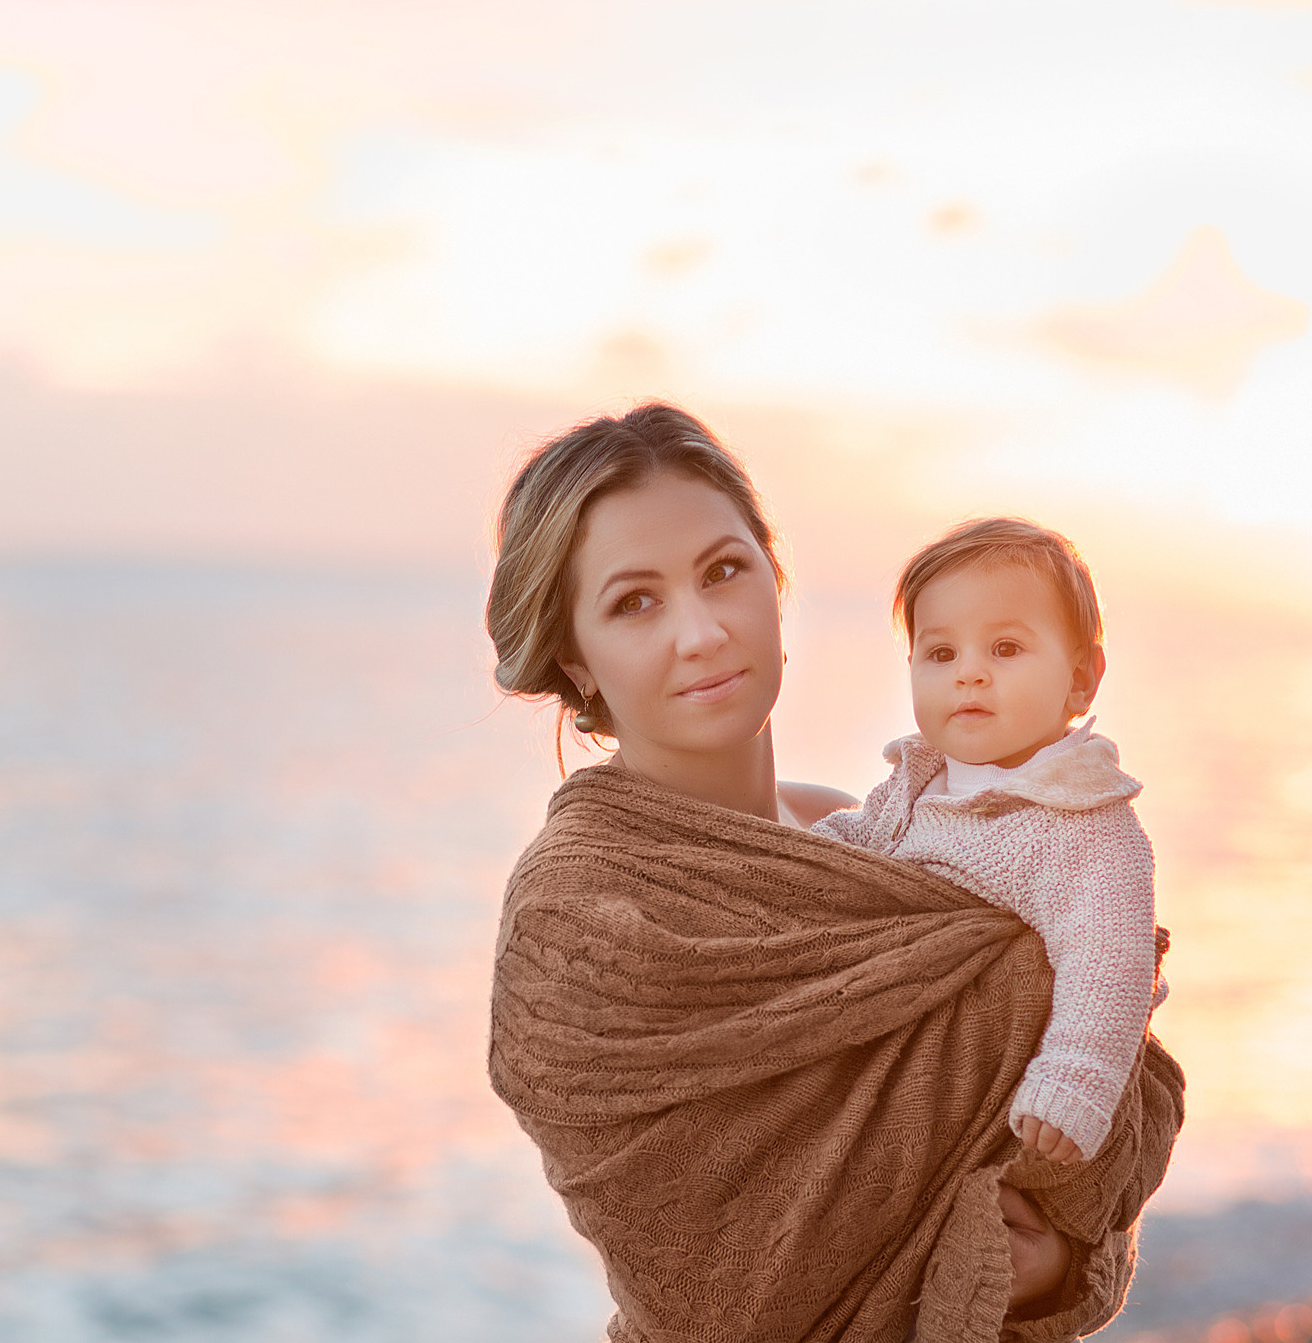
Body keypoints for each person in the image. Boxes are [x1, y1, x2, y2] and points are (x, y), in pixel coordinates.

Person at [484, 404, 1183, 1342]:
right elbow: (713, 1293)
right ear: (576, 657)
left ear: (775, 583)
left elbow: (1121, 1107)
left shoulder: (873, 835)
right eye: (634, 602)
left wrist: (1051, 1264)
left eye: (723, 571)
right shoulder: (577, 917)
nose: (703, 632)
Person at [813, 519, 1164, 1171]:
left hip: (999, 1083)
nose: (969, 674)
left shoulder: (1081, 817)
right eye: (941, 654)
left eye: (1005, 648)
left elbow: (1111, 959)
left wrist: (1074, 1080)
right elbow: (850, 849)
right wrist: (783, 860)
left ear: (1081, 678)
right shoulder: (916, 779)